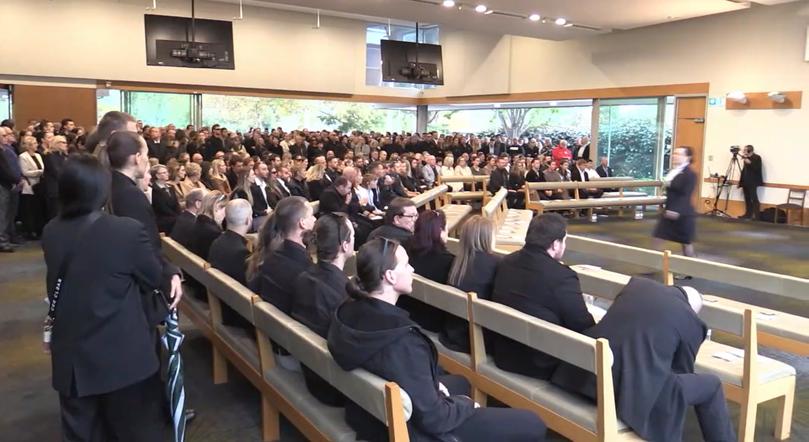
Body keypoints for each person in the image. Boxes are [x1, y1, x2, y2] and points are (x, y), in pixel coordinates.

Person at [328, 238, 546, 442]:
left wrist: (433, 388)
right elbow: (434, 418)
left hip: (366, 414)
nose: (412, 269)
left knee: (462, 382)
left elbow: (401, 373)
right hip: (405, 429)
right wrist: (467, 405)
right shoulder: (402, 340)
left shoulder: (347, 310)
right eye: (406, 265)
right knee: (533, 423)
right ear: (390, 276)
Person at [42, 154, 165, 441]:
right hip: (120, 354)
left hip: (71, 353)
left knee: (82, 430)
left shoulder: (51, 231)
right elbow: (152, 277)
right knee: (132, 430)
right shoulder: (125, 230)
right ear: (102, 189)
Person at [551, 278, 736, 442]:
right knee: (712, 385)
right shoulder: (691, 321)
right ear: (693, 310)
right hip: (626, 393)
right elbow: (682, 369)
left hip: (584, 376)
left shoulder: (636, 286)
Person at [491, 213, 594, 379]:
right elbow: (583, 327)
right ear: (555, 244)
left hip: (505, 353)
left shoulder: (506, 262)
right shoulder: (562, 277)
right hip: (541, 363)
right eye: (564, 241)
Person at [291, 213, 355, 406]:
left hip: (313, 370)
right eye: (352, 236)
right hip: (338, 386)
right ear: (345, 245)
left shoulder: (304, 277)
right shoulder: (344, 295)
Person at [247, 196, 315, 316]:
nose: (315, 219)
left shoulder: (268, 257)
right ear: (302, 223)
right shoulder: (305, 271)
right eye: (311, 215)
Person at [442, 215, 500, 353]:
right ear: (487, 238)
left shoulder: (459, 261)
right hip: (474, 339)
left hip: (451, 332)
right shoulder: (495, 263)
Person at [401, 210, 454, 332]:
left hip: (406, 311)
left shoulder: (404, 248)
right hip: (433, 321)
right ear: (440, 231)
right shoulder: (448, 261)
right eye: (446, 229)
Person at [208, 198, 254, 330]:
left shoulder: (217, 242)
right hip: (235, 314)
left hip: (222, 302)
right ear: (248, 220)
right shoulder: (240, 253)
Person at [653, 146, 697, 259]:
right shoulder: (675, 171)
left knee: (686, 243)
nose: (674, 156)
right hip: (669, 210)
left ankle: (690, 271)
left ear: (687, 157)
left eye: (678, 154)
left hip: (682, 213)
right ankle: (653, 264)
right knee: (658, 237)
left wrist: (676, 210)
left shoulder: (690, 174)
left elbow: (686, 194)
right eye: (674, 153)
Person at [18, 135, 46, 239]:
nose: (36, 145)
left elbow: (42, 167)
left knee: (38, 208)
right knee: (29, 209)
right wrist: (40, 172)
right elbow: (25, 172)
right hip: (29, 185)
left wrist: (41, 172)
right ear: (29, 146)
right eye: (34, 143)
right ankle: (30, 231)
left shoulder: (38, 155)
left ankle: (38, 229)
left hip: (39, 185)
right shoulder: (23, 157)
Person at [189, 190, 227, 260]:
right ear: (217, 207)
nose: (226, 214)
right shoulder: (213, 232)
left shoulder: (198, 221)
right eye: (225, 209)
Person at [149, 164, 181, 234]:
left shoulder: (171, 187)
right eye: (163, 173)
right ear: (157, 175)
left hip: (174, 217)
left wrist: (179, 216)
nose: (167, 174)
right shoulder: (154, 189)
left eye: (166, 172)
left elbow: (176, 204)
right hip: (164, 220)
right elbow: (161, 207)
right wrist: (176, 217)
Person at [738, 144, 763, 220]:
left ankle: (756, 216)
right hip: (745, 181)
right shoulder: (746, 159)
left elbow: (757, 168)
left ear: (750, 150)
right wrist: (740, 182)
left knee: (754, 199)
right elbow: (744, 171)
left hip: (753, 182)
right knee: (747, 199)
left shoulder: (757, 157)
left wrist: (750, 162)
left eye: (745, 150)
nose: (744, 151)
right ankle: (748, 214)